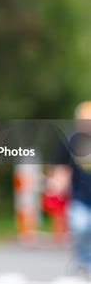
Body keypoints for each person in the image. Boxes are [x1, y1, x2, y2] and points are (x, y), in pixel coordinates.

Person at [45, 101, 91, 273]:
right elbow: (61, 166)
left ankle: (86, 259)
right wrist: (57, 182)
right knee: (80, 227)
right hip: (79, 194)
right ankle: (83, 260)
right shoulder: (70, 139)